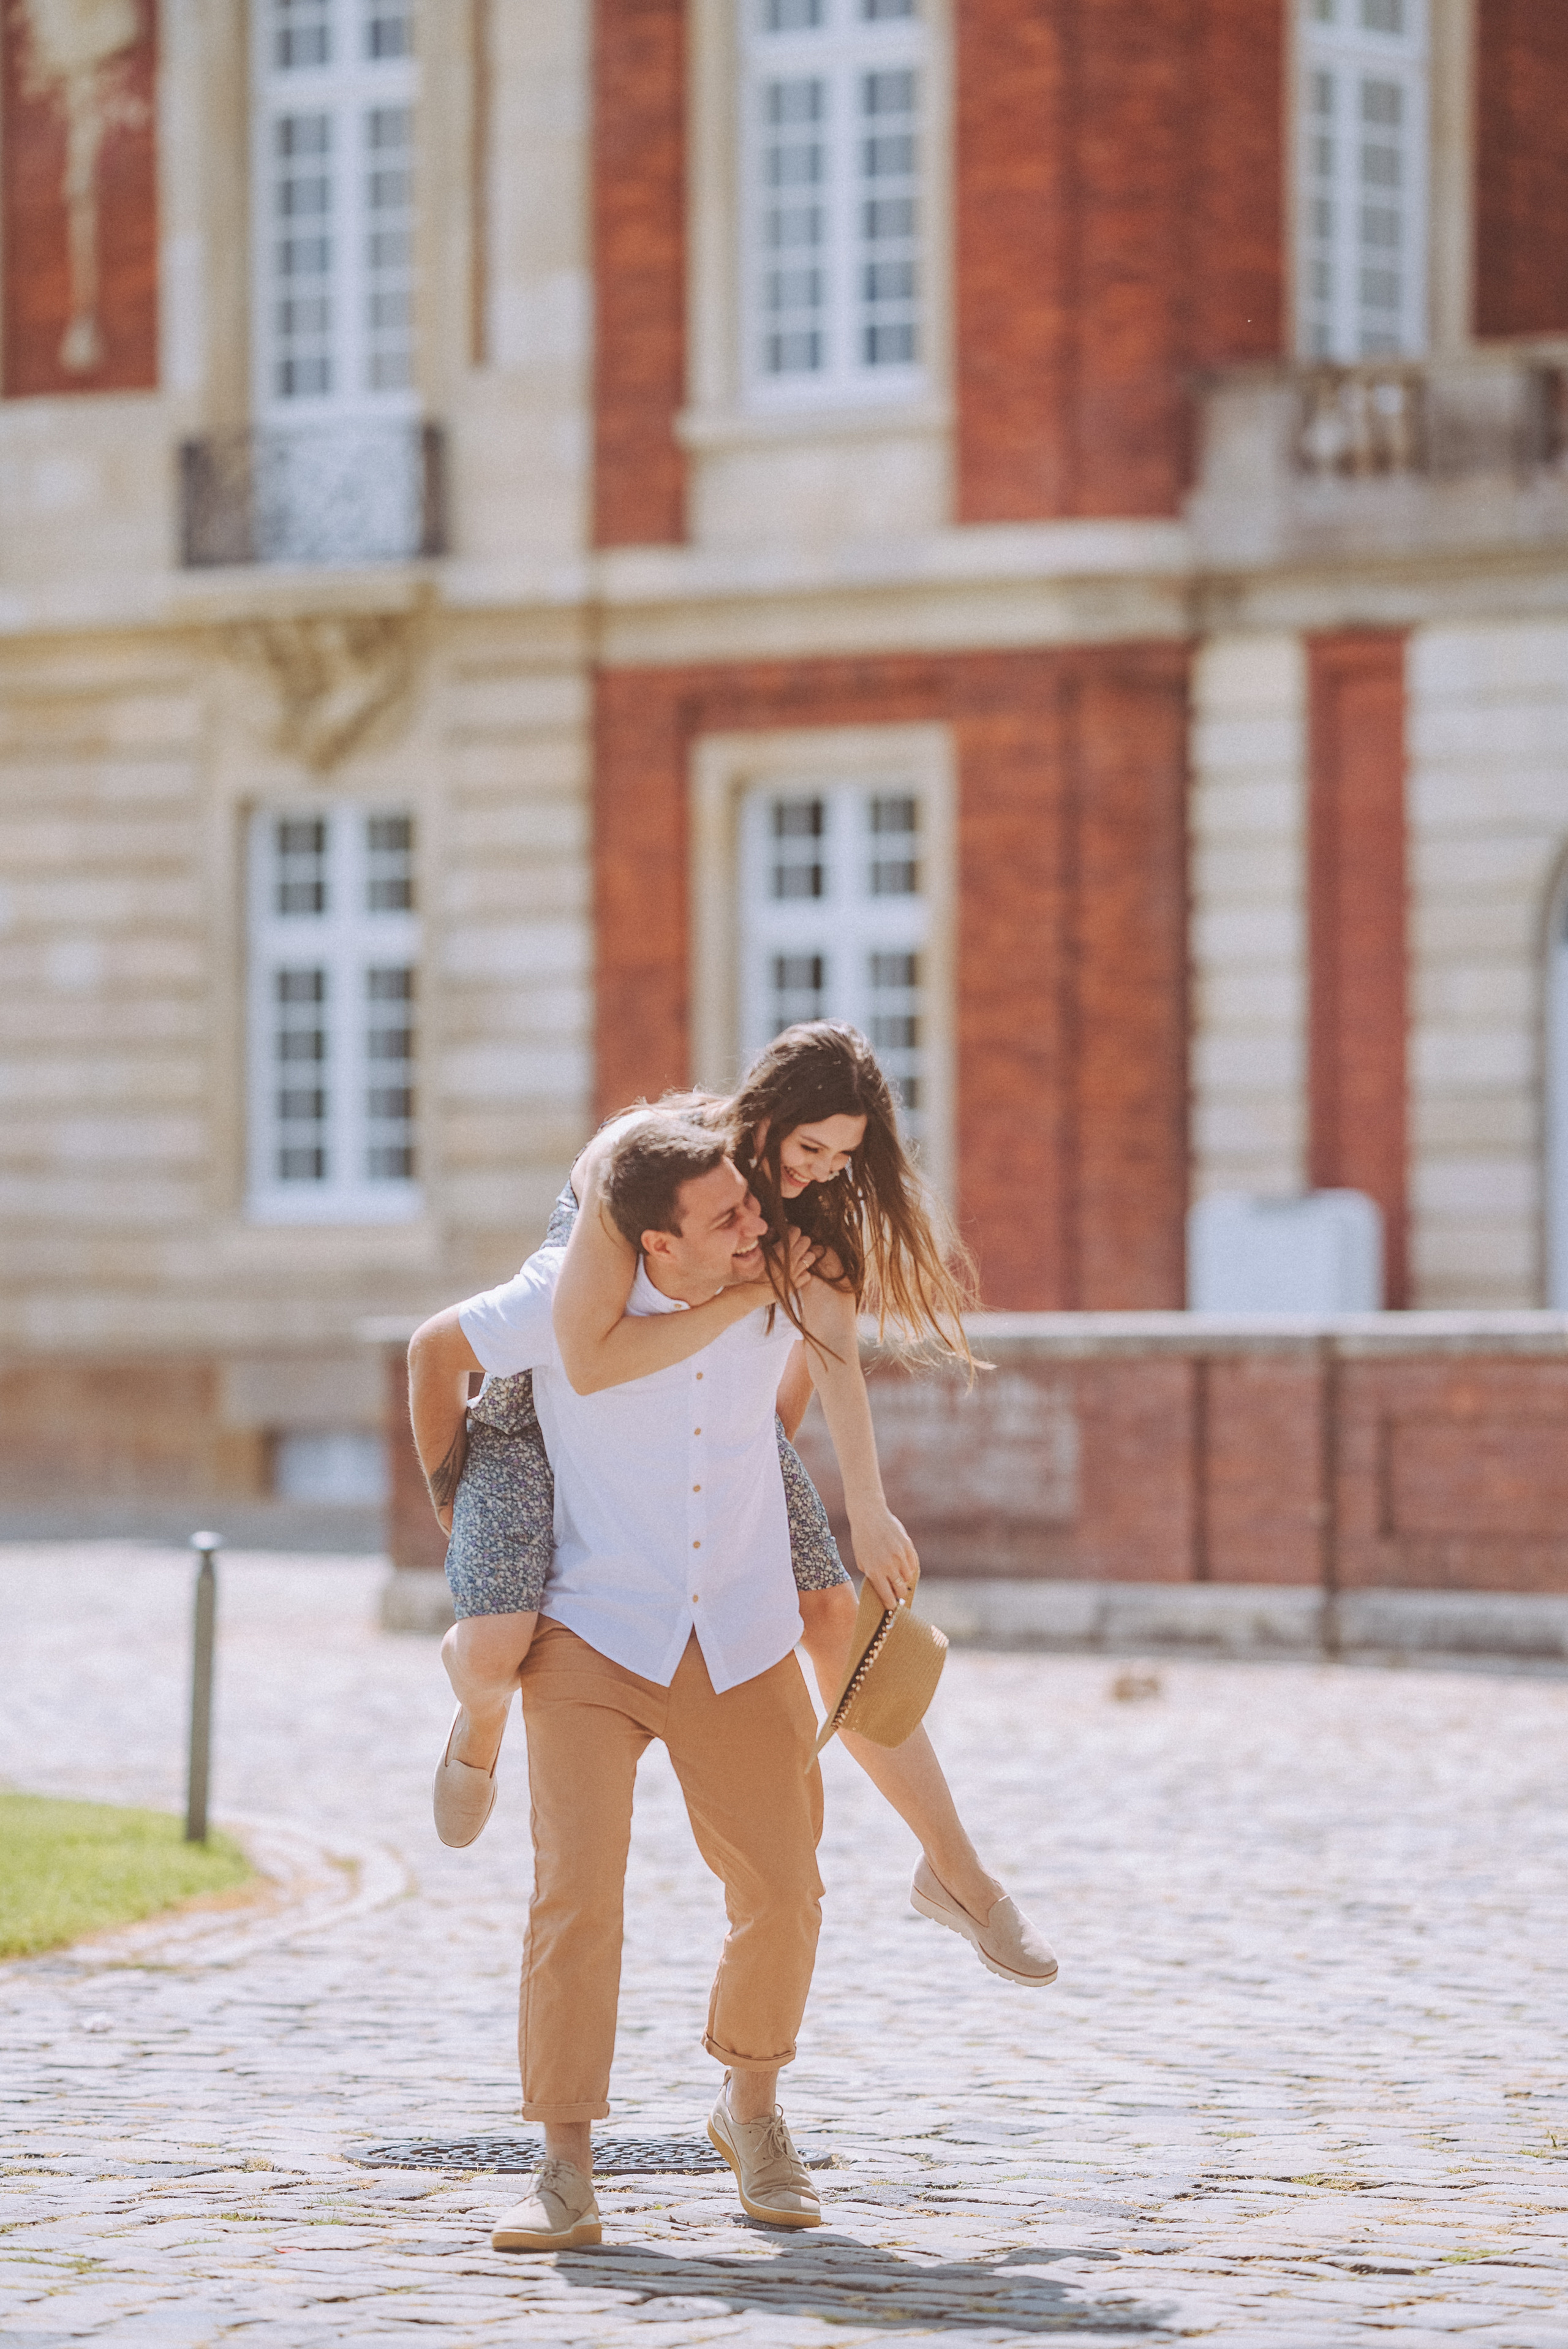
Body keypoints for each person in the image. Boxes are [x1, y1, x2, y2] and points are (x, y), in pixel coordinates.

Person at [420, 1021, 1057, 1991]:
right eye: (809, 1150)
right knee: (502, 1639)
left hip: (688, 1415)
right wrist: (455, 1510)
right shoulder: (650, 1164)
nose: (823, 1174)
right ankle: (478, 1717)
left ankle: (959, 1874)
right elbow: (580, 1355)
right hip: (550, 1400)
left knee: (833, 1609)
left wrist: (862, 1509)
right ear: (766, 1119)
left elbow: (824, 1356)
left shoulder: (805, 1214)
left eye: (845, 1157)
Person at [407, 1120, 833, 2252]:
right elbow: (428, 1353)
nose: (757, 1223)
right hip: (592, 1631)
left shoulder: (782, 1272)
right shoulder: (560, 1293)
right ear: (654, 1243)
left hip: (737, 1635)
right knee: (577, 1898)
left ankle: (750, 2111)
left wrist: (761, 1483)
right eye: (729, 1216)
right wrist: (465, 1522)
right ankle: (562, 2170)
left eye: (753, 1202)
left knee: (785, 1892)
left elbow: (809, 1389)